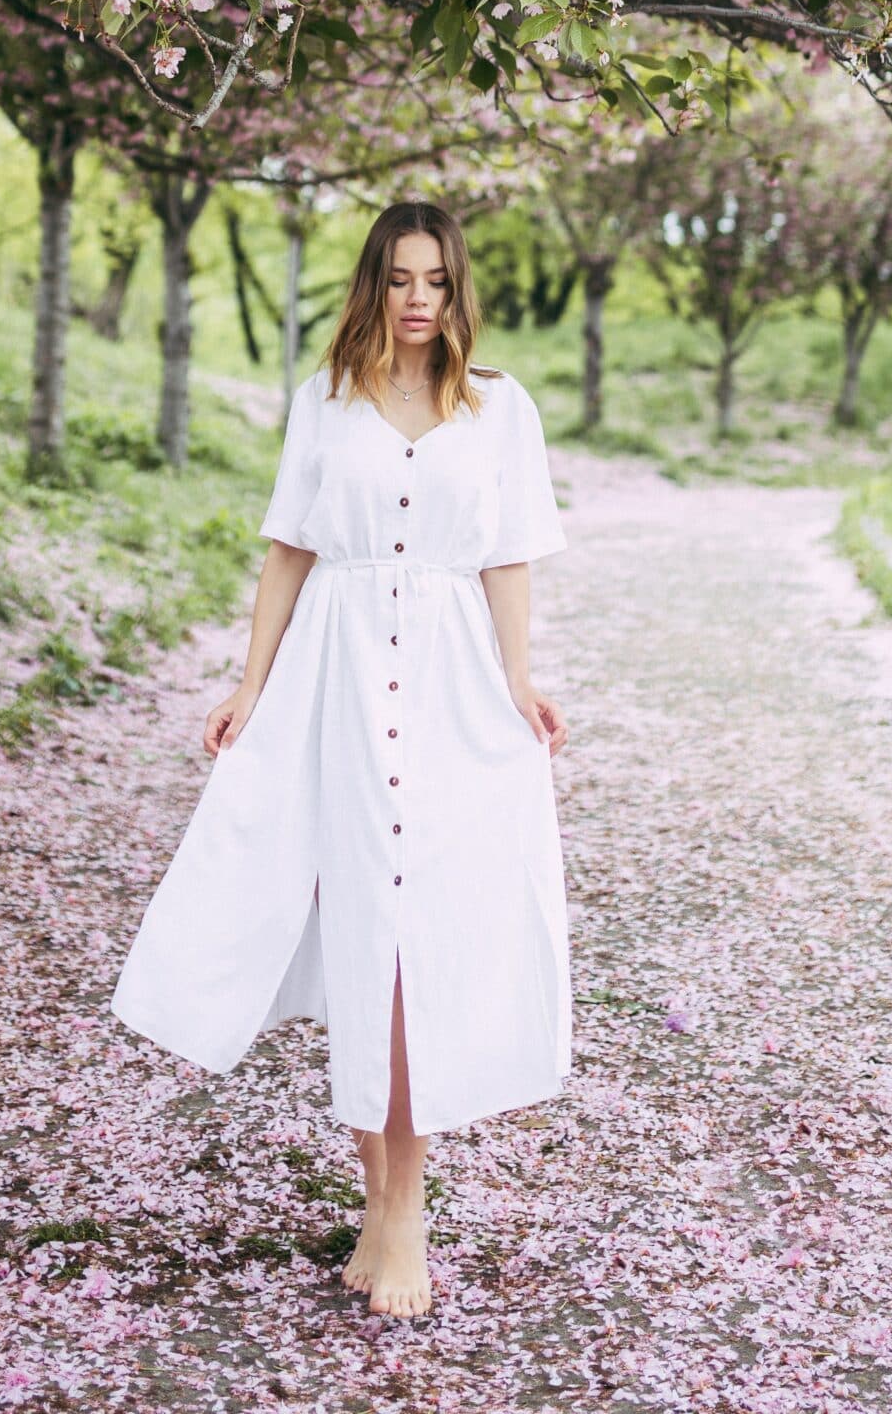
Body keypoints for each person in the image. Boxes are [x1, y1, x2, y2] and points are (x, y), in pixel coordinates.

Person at [111, 198, 572, 1319]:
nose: (421, 299)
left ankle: (399, 1211)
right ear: (375, 285)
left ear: (460, 292)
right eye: (402, 278)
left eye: (439, 281)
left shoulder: (500, 409)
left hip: (455, 683)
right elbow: (289, 548)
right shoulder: (326, 403)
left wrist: (518, 680)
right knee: (369, 931)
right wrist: (250, 681)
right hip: (339, 677)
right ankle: (385, 1202)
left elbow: (509, 555)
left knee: (426, 935)